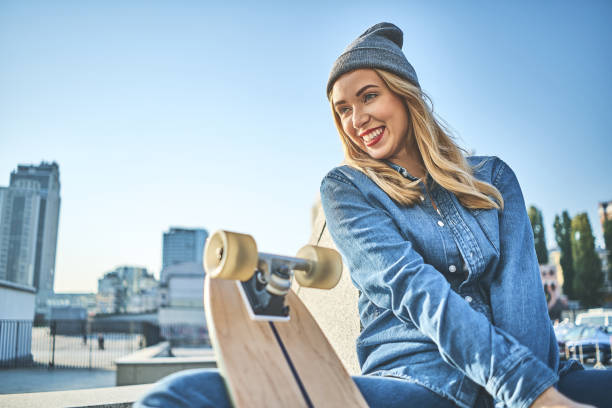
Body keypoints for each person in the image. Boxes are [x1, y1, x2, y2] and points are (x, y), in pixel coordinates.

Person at [135, 23, 611, 408]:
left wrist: (533, 395)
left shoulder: (492, 178)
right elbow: (412, 288)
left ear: (406, 95)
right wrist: (528, 393)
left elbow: (522, 305)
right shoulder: (347, 189)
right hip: (422, 382)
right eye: (342, 109)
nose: (355, 120)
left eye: (368, 97)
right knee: (182, 395)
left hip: (535, 378)